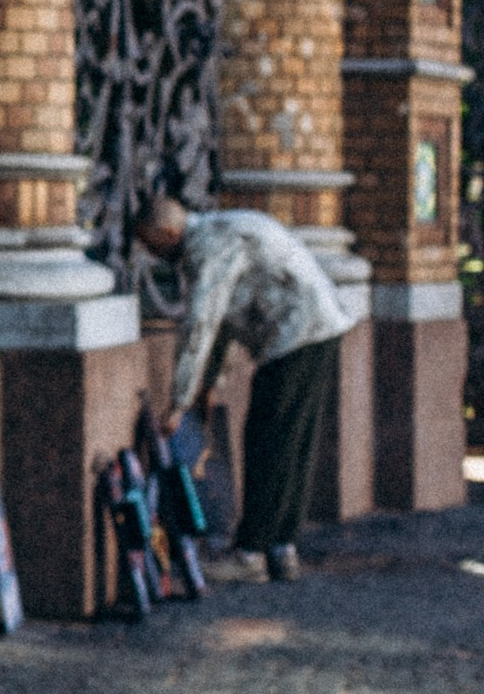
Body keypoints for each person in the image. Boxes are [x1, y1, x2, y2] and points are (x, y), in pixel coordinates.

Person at [139, 195, 351, 583]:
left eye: (152, 246)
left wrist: (178, 402)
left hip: (297, 332)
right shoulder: (221, 231)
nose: (153, 256)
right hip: (317, 327)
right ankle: (280, 548)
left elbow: (201, 323)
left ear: (169, 232)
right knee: (291, 442)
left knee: (268, 441)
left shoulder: (209, 245)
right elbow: (221, 323)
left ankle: (250, 553)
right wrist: (209, 384)